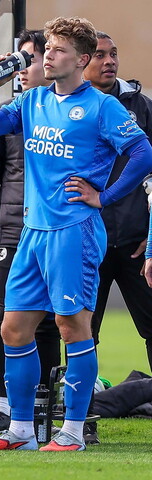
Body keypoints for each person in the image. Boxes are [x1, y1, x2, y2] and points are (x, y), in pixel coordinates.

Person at [0, 16, 152, 451]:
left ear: (81, 59)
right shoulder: (32, 101)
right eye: (46, 49)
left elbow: (143, 151)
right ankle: (20, 431)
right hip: (32, 233)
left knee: (73, 327)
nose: (46, 56)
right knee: (14, 330)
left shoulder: (102, 107)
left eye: (57, 50)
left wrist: (104, 196)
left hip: (74, 232)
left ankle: (72, 431)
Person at [0, 29, 62, 436]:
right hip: (10, 232)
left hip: (53, 229)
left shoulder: (63, 113)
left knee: (48, 323)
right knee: (4, 320)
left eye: (30, 60)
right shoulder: (9, 112)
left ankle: (42, 404)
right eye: (19, 61)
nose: (22, 70)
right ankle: (1, 405)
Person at [84, 32, 152, 374]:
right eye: (100, 55)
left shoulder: (141, 106)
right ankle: (84, 410)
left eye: (113, 54)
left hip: (134, 243)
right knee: (81, 331)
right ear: (82, 61)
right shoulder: (64, 108)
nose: (109, 61)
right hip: (87, 240)